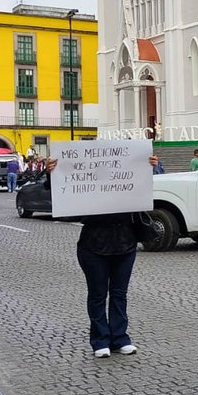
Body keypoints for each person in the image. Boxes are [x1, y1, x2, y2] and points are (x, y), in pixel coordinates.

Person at [44, 153, 163, 358]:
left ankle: (120, 337)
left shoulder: (125, 179)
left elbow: (142, 186)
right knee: (98, 294)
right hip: (93, 243)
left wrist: (150, 167)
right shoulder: (89, 185)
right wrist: (51, 173)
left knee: (119, 293)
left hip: (125, 241)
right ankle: (100, 339)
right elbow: (60, 191)